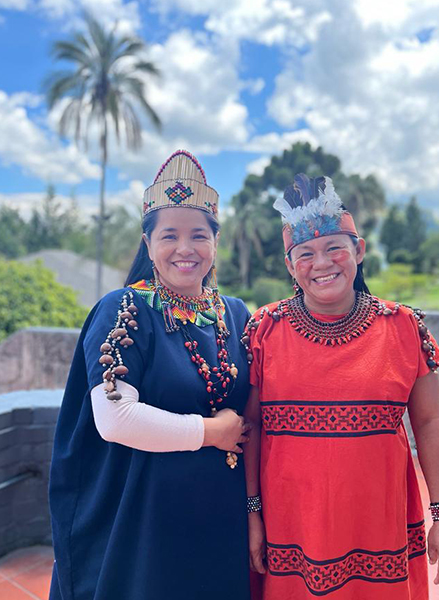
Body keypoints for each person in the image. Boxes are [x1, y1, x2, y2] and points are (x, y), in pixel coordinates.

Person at [242, 174, 439, 600]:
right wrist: (252, 513)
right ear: (290, 266)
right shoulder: (263, 330)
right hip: (290, 525)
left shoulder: (402, 327)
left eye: (334, 249)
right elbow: (250, 426)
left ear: (358, 251)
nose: (321, 264)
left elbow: (432, 423)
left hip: (378, 525)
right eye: (305, 254)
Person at [49, 150, 252, 600]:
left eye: (199, 235)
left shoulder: (234, 314)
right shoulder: (124, 309)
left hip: (218, 512)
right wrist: (211, 431)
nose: (185, 248)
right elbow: (115, 418)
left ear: (215, 243)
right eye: (170, 235)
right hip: (143, 521)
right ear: (148, 243)